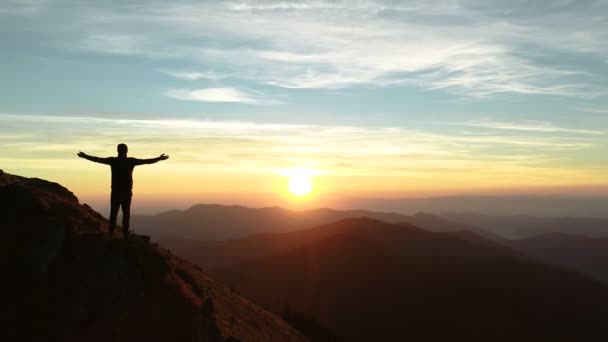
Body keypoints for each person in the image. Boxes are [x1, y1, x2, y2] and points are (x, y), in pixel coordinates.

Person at [77, 143, 169, 236]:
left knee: (114, 213)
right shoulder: (130, 161)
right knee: (126, 214)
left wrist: (85, 156)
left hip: (116, 192)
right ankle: (125, 233)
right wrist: (159, 158)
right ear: (126, 151)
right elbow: (146, 161)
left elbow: (98, 159)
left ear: (118, 151)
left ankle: (111, 232)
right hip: (126, 192)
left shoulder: (113, 161)